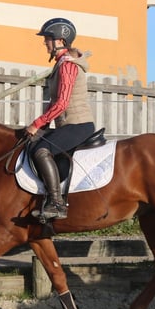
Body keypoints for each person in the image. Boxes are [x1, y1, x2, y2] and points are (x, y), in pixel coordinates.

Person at [25, 17, 96, 220]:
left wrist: (36, 124)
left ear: (60, 41)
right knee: (37, 142)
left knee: (41, 150)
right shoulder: (61, 64)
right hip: (69, 124)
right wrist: (42, 125)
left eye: (48, 38)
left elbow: (62, 103)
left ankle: (57, 204)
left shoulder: (67, 65)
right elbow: (54, 102)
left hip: (78, 124)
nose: (45, 43)